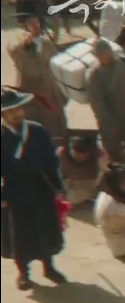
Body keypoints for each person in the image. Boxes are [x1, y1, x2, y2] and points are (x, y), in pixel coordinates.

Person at [1, 88, 67, 290]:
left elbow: (50, 162)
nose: (16, 114)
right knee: (20, 235)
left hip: (40, 188)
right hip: (13, 192)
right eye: (10, 111)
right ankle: (23, 272)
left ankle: (49, 267)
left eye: (18, 109)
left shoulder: (37, 131)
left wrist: (57, 186)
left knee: (45, 229)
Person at [86, 39, 125, 164]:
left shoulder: (122, 61)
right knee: (116, 156)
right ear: (98, 56)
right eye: (105, 54)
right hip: (114, 121)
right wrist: (109, 124)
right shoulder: (94, 76)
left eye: (109, 51)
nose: (109, 55)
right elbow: (98, 105)